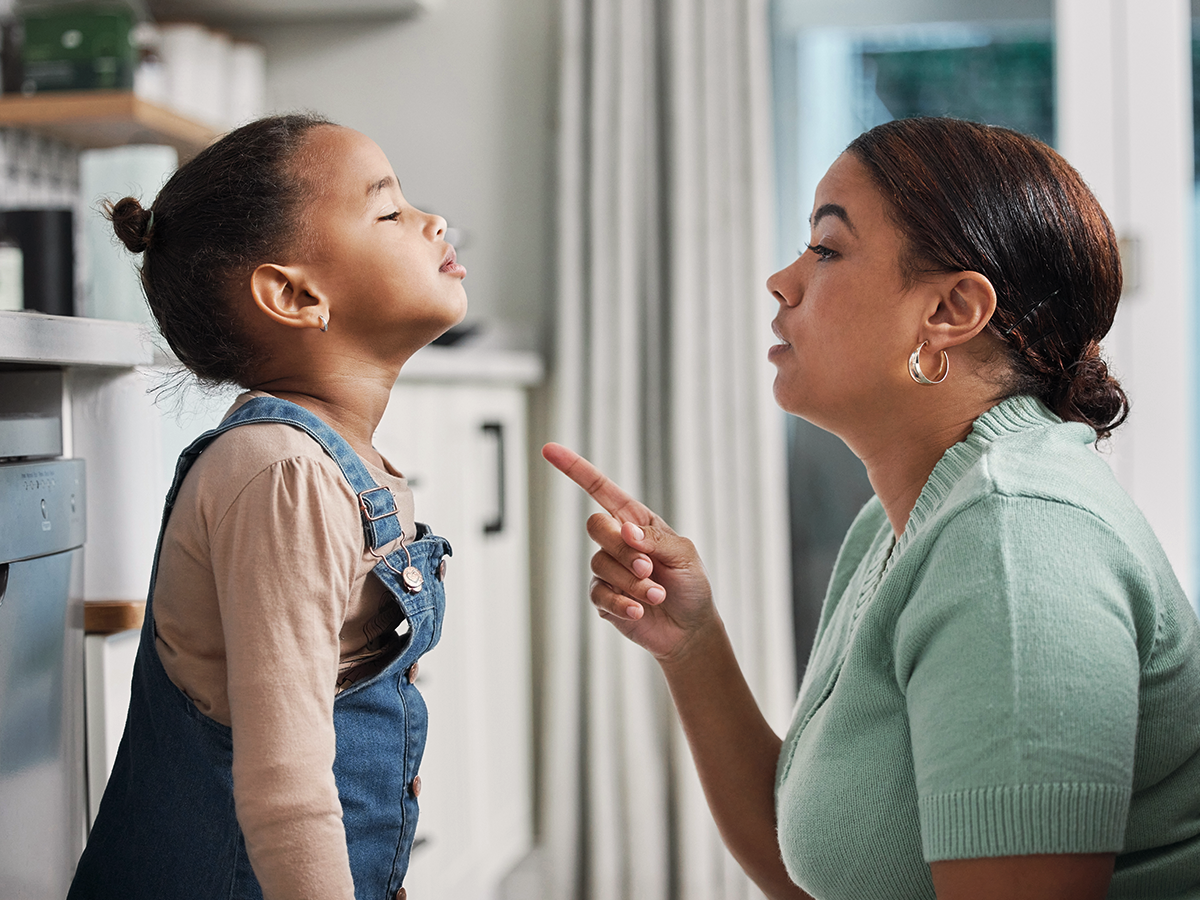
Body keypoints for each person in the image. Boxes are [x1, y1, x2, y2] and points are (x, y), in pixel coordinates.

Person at [543, 117, 1200, 900]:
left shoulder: (1015, 544)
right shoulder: (905, 520)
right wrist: (690, 644)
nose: (782, 281)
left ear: (951, 310)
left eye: (826, 249)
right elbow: (816, 872)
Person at [67, 114, 467, 900]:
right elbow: (286, 792)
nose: (433, 220)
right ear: (293, 294)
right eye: (388, 211)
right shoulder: (283, 477)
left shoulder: (335, 464)